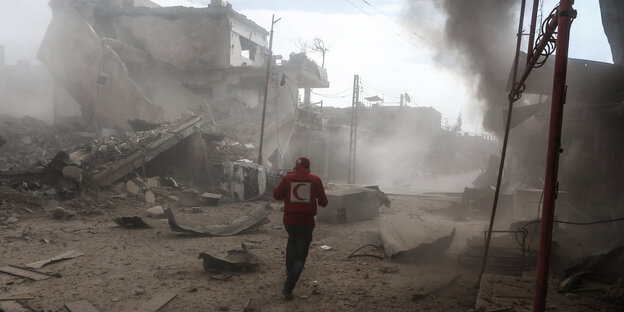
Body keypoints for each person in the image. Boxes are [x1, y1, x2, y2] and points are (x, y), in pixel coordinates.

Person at [273, 156, 328, 300]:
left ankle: (289, 275)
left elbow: (276, 195)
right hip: (306, 223)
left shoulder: (288, 178)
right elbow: (324, 202)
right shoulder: (315, 180)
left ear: (295, 167)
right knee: (300, 256)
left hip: (289, 222)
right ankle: (288, 288)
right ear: (309, 167)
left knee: (291, 246)